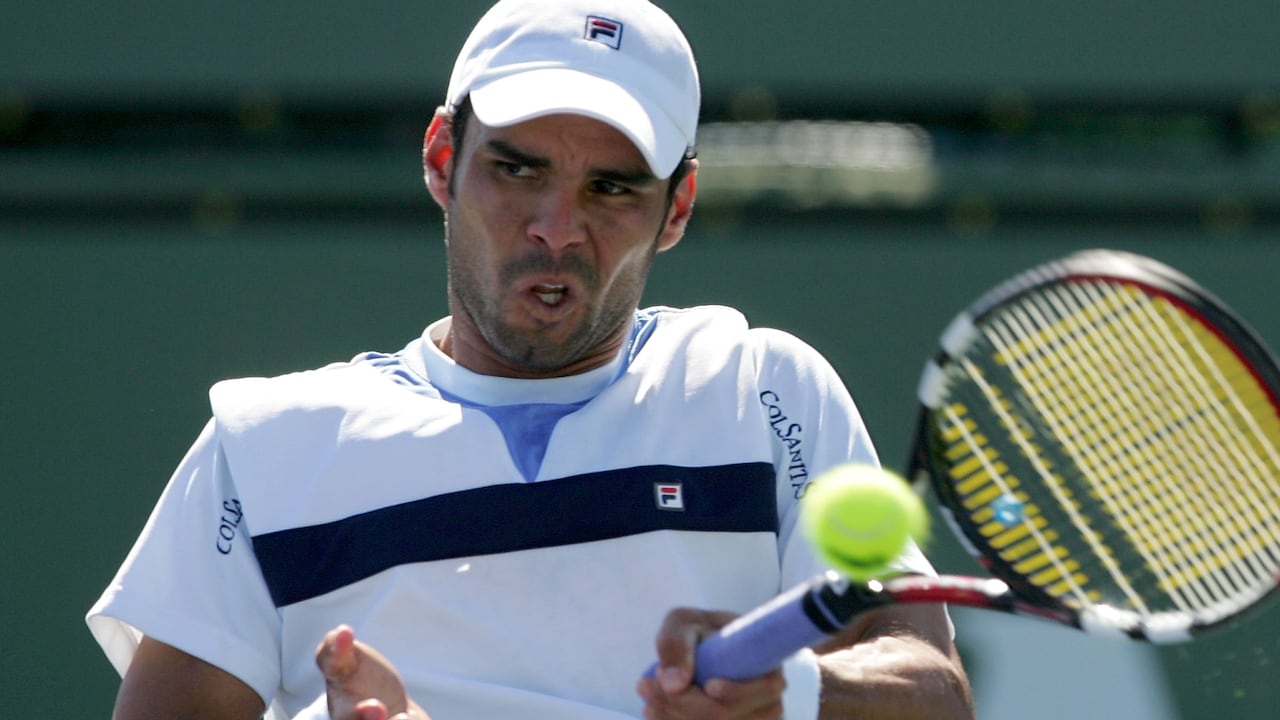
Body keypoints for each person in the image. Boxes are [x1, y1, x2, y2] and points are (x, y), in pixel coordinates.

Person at [87, 1, 974, 718]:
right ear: (443, 159)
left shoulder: (767, 391)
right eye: (516, 171)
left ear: (677, 208)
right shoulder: (268, 445)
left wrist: (793, 692)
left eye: (612, 188)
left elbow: (935, 694)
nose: (557, 227)